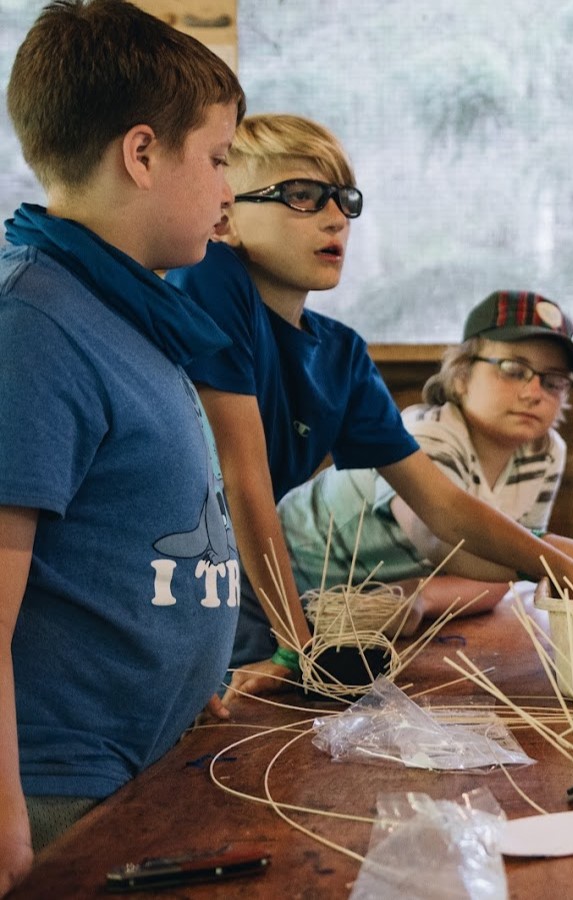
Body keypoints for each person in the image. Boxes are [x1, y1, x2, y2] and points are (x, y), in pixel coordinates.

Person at [165, 115, 573, 698]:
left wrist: (565, 569)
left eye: (344, 200)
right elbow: (243, 477)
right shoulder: (212, 275)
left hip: (248, 578)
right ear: (225, 218)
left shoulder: (342, 356)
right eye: (302, 197)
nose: (337, 218)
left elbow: (445, 508)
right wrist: (295, 642)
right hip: (172, 581)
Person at [0, 0, 245, 890]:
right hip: (58, 791)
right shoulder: (32, 324)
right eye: (217, 159)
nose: (228, 191)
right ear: (141, 154)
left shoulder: (123, 308)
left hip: (147, 759)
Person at [278, 290, 573, 622]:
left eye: (554, 381)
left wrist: (423, 596)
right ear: (461, 376)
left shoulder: (544, 453)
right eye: (513, 369)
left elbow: (501, 574)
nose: (534, 393)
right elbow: (437, 537)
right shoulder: (427, 434)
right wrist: (562, 562)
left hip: (363, 611)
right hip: (279, 584)